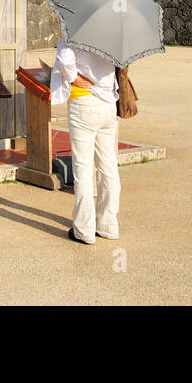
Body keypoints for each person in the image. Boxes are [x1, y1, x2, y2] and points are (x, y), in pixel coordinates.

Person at [50, 35, 120, 245]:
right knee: (108, 166)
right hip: (108, 102)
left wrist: (74, 78)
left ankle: (84, 229)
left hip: (83, 101)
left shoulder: (76, 28)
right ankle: (108, 225)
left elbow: (64, 57)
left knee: (82, 168)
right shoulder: (114, 31)